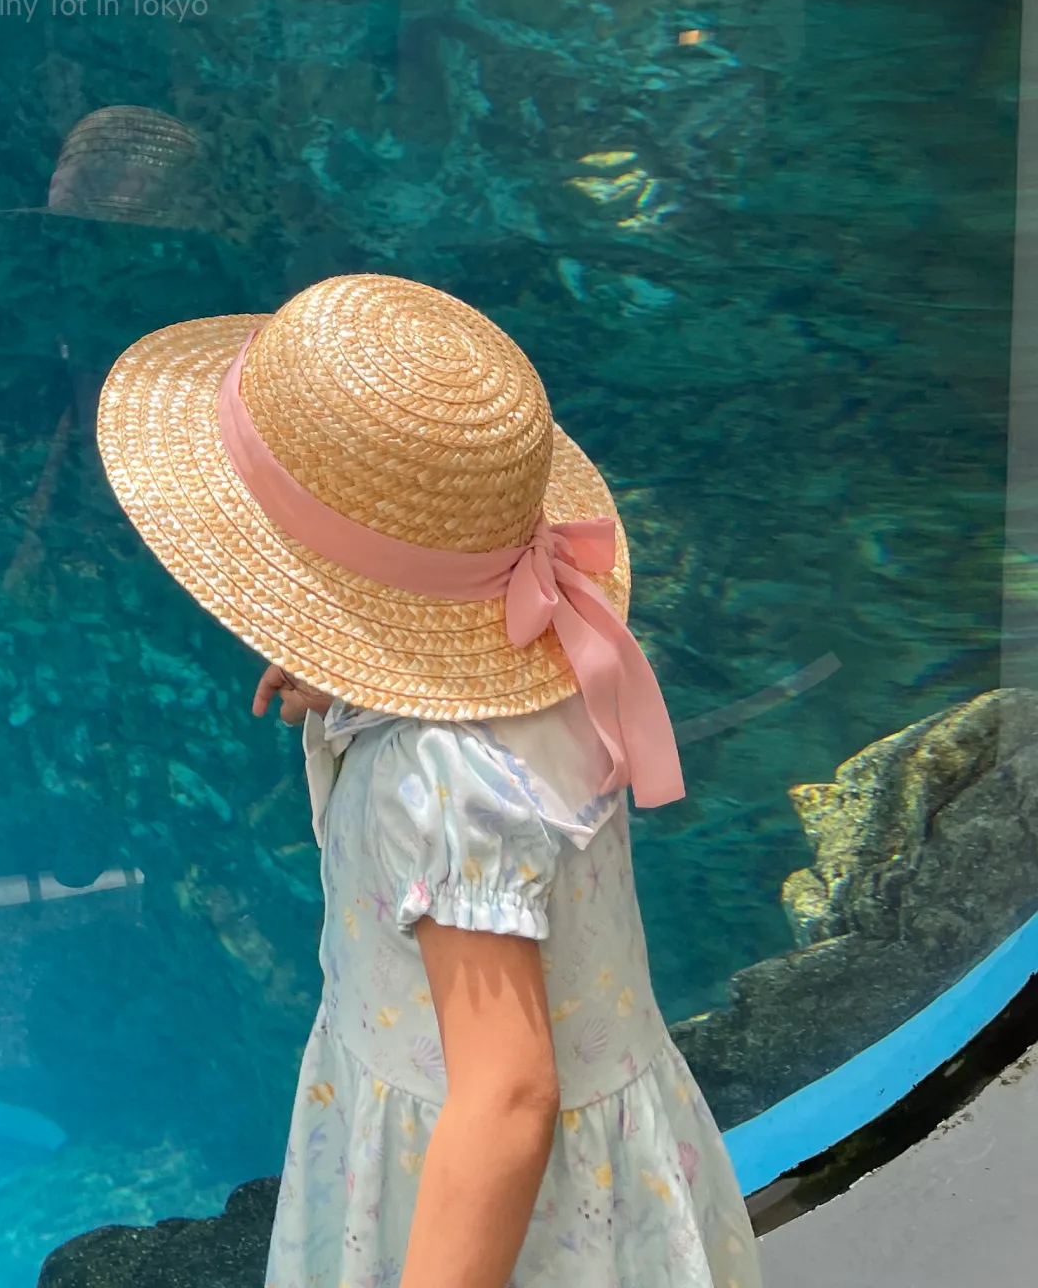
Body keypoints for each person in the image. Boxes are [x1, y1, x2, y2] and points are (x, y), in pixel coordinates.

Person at [96, 273, 759, 1288]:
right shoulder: (544, 650)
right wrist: (361, 666)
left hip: (504, 1226)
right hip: (613, 1175)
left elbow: (506, 1097)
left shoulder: (436, 778)